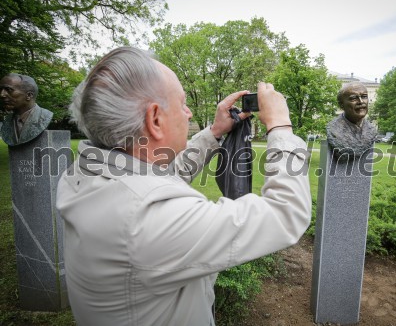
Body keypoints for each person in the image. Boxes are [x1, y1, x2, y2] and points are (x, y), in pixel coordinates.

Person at [56, 47, 311, 325]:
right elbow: (285, 214)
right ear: (155, 119)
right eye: (182, 103)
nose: (188, 113)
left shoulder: (90, 172)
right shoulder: (147, 217)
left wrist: (214, 132)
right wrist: (280, 127)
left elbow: (164, 175)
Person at [326, 82, 378, 158]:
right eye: (353, 98)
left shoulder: (372, 129)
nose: (361, 101)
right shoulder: (333, 128)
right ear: (341, 105)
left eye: (364, 97)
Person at [0, 73, 53, 146]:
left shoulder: (45, 117)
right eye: (1, 90)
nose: (2, 95)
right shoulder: (7, 121)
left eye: (9, 90)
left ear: (29, 95)